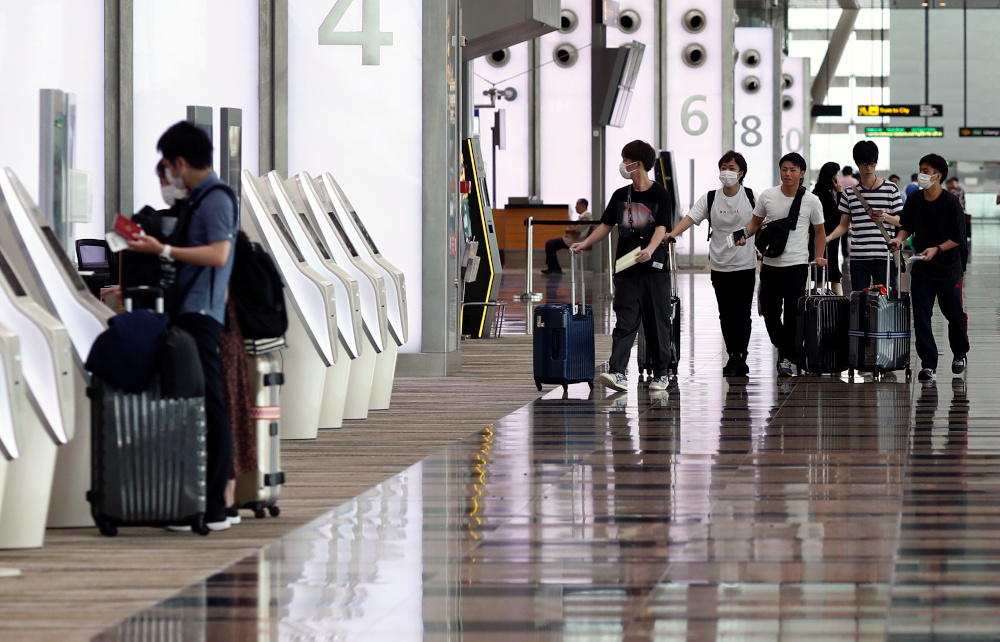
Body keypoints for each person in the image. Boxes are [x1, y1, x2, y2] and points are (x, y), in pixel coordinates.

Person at [126, 121, 240, 531]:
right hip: (190, 311)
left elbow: (219, 254)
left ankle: (213, 508)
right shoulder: (201, 198)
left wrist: (164, 249)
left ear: (178, 161)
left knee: (209, 405)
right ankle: (204, 504)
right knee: (199, 404)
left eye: (169, 167)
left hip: (201, 314)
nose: (169, 176)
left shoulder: (216, 198)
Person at [571, 140, 672, 392]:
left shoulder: (660, 194)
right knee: (625, 319)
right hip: (626, 268)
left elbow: (661, 228)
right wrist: (585, 243)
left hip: (654, 267)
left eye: (626, 159)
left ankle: (661, 373)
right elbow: (605, 226)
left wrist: (649, 249)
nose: (623, 164)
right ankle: (617, 372)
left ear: (638, 163)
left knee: (656, 321)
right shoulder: (620, 196)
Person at [664, 150, 756, 376]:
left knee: (742, 313)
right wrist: (672, 233)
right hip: (719, 265)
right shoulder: (711, 198)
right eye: (723, 168)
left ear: (741, 173)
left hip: (745, 266)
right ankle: (732, 354)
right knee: (725, 312)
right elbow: (690, 217)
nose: (726, 173)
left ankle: (741, 356)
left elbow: (761, 223)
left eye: (732, 169)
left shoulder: (752, 197)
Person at [738, 152, 827, 377]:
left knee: (792, 313)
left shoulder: (811, 201)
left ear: (802, 173)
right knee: (769, 311)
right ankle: (787, 350)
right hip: (770, 264)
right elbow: (755, 223)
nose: (788, 174)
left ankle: (786, 358)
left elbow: (819, 231)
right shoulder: (768, 196)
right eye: (784, 169)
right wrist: (739, 236)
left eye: (793, 170)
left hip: (797, 265)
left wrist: (819, 255)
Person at [888, 153, 969, 382]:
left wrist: (937, 249)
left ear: (938, 176)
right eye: (920, 169)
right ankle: (928, 364)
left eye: (926, 170)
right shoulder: (914, 200)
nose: (922, 174)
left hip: (948, 268)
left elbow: (958, 237)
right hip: (922, 268)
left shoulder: (951, 202)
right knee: (921, 316)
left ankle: (960, 352)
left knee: (953, 314)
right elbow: (907, 226)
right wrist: (899, 239)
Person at [825, 140, 903, 292]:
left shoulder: (890, 188)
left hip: (884, 255)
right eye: (864, 164)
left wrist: (885, 217)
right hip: (859, 258)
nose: (868, 168)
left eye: (872, 164)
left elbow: (901, 221)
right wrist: (828, 238)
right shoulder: (849, 193)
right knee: (860, 303)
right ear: (857, 163)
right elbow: (843, 225)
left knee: (886, 303)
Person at [811, 162, 845, 295]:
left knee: (825, 274)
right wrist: (840, 193)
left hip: (826, 237)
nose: (838, 179)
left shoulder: (818, 192)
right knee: (830, 274)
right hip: (827, 238)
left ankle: (821, 306)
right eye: (837, 175)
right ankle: (838, 308)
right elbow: (838, 216)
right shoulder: (824, 194)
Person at [542, 198, 591, 275]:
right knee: (550, 244)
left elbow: (577, 230)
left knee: (550, 244)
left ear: (583, 205)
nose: (575, 207)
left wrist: (568, 230)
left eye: (577, 204)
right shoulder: (583, 216)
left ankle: (555, 268)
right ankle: (552, 267)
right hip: (570, 239)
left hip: (574, 240)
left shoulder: (587, 217)